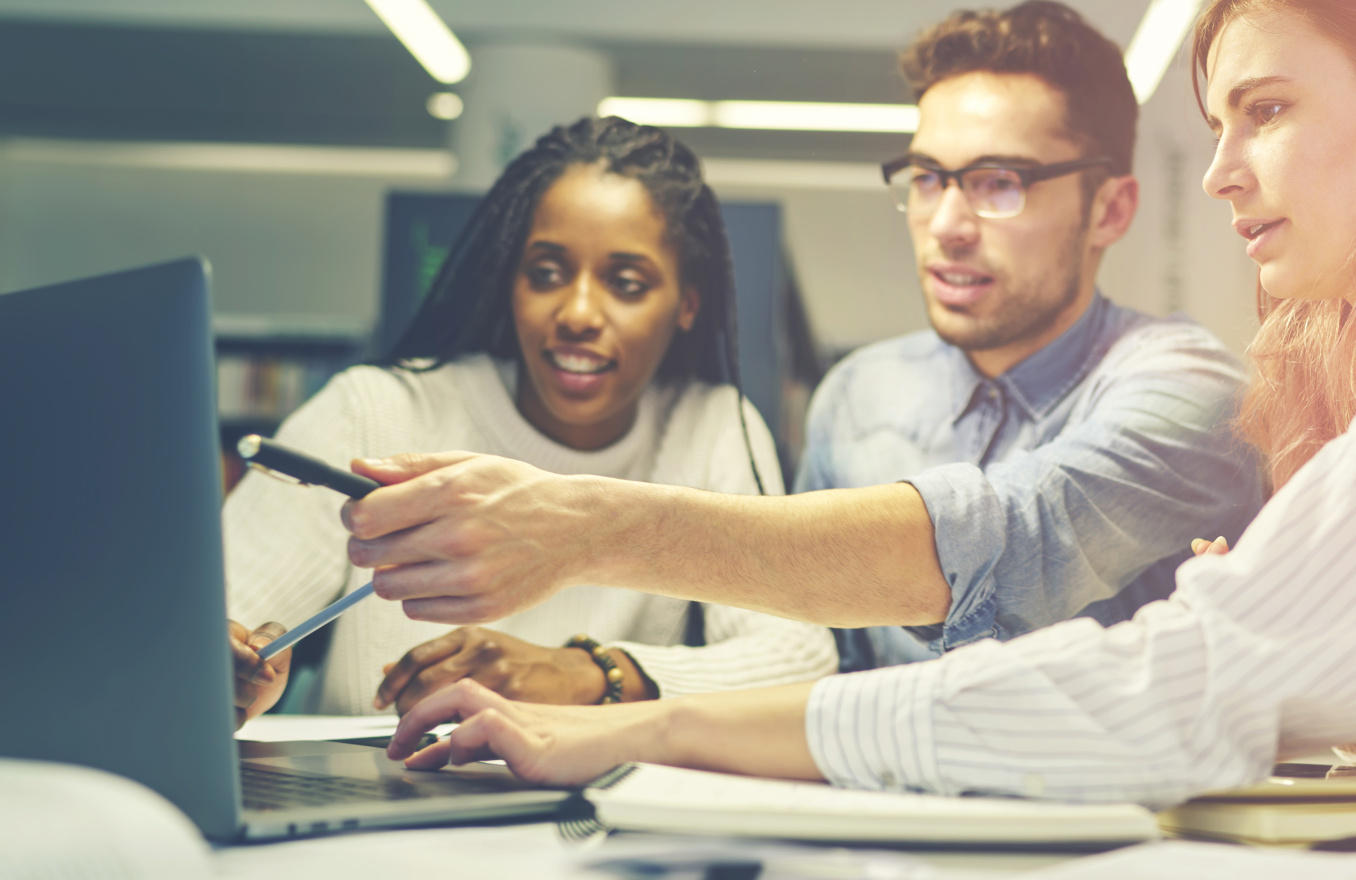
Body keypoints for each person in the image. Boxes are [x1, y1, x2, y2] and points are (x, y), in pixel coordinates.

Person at [378, 0, 1356, 875]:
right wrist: (623, 680)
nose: (1227, 174)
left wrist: (648, 718)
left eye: (1267, 113)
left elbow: (1195, 679)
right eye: (926, 180)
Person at [333, 1, 1263, 670]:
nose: (947, 223)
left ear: (1112, 207)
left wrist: (584, 527)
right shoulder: (861, 395)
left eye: (999, 182)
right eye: (930, 177)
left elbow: (1017, 536)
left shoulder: (1189, 390)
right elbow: (820, 668)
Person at [226, 117, 836, 726]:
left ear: (687, 305)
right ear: (509, 283)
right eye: (546, 273)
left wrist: (586, 673)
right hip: (372, 800)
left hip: (592, 809)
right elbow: (212, 624)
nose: (576, 313)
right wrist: (234, 670)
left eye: (625, 283)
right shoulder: (376, 411)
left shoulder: (709, 426)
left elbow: (799, 656)